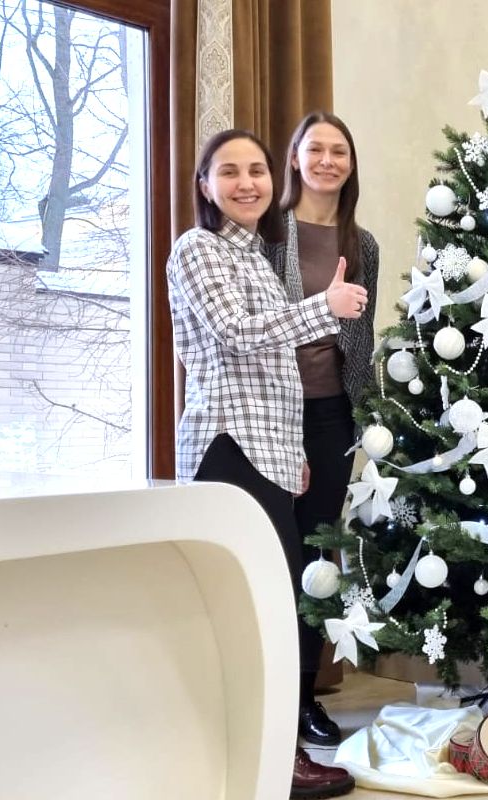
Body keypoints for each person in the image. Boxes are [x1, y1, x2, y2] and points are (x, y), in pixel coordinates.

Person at [166, 128, 366, 799]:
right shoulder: (198, 249)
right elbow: (235, 335)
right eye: (230, 171)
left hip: (269, 450)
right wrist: (325, 309)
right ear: (205, 185)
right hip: (228, 446)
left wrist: (291, 456)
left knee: (278, 603)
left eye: (254, 169)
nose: (246, 182)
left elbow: (275, 367)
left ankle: (272, 755)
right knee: (259, 609)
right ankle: (272, 763)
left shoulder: (253, 257)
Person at [265, 111, 379, 748]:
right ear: (296, 160)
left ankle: (306, 696)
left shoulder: (362, 243)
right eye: (317, 150)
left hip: (333, 413)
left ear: (351, 163)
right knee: (274, 553)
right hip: (272, 411)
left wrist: (373, 420)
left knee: (317, 557)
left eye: (340, 150)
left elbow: (358, 341)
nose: (328, 160)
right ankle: (271, 694)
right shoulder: (265, 237)